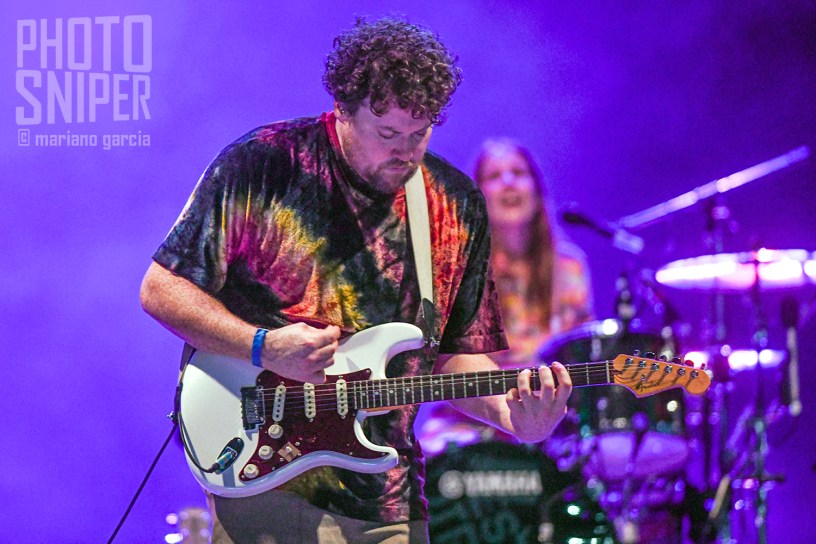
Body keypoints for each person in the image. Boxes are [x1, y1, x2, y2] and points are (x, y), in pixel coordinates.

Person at [140, 17, 572, 544]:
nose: (404, 153)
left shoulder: (454, 205)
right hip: (263, 479)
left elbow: (453, 355)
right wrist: (263, 346)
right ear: (342, 110)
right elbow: (161, 289)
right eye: (387, 134)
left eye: (419, 134)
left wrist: (516, 417)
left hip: (385, 495)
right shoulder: (265, 164)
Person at [417, 138, 594, 452]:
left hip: (548, 427)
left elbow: (583, 351)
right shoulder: (457, 264)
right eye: (495, 176)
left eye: (519, 173)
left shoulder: (570, 267)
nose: (509, 182)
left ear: (537, 190)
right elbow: (446, 358)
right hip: (466, 426)